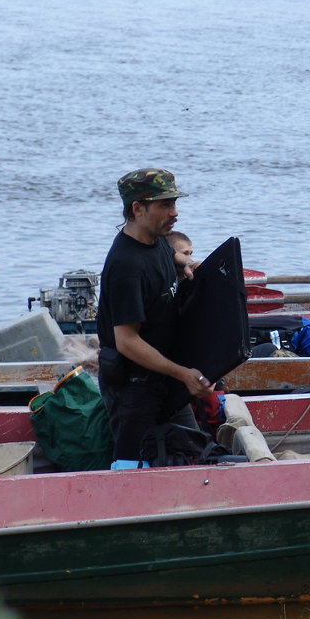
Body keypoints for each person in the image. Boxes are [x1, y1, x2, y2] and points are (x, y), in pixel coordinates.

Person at [97, 168, 213, 469]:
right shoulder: (126, 266)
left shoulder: (156, 238)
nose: (174, 213)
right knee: (130, 469)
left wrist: (185, 261)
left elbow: (165, 256)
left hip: (164, 380)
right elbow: (126, 341)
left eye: (174, 203)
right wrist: (183, 374)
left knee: (192, 452)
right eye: (164, 205)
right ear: (138, 208)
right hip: (133, 390)